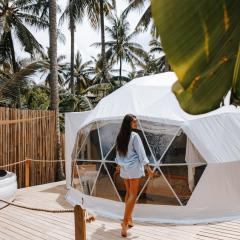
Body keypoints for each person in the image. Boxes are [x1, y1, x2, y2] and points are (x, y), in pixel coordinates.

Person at [115, 114, 153, 237]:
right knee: (133, 194)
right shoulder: (134, 136)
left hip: (125, 169)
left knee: (128, 193)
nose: (135, 124)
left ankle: (129, 220)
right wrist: (148, 167)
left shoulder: (120, 136)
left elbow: (119, 154)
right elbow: (141, 153)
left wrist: (119, 165)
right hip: (134, 168)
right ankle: (125, 223)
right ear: (129, 123)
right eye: (134, 122)